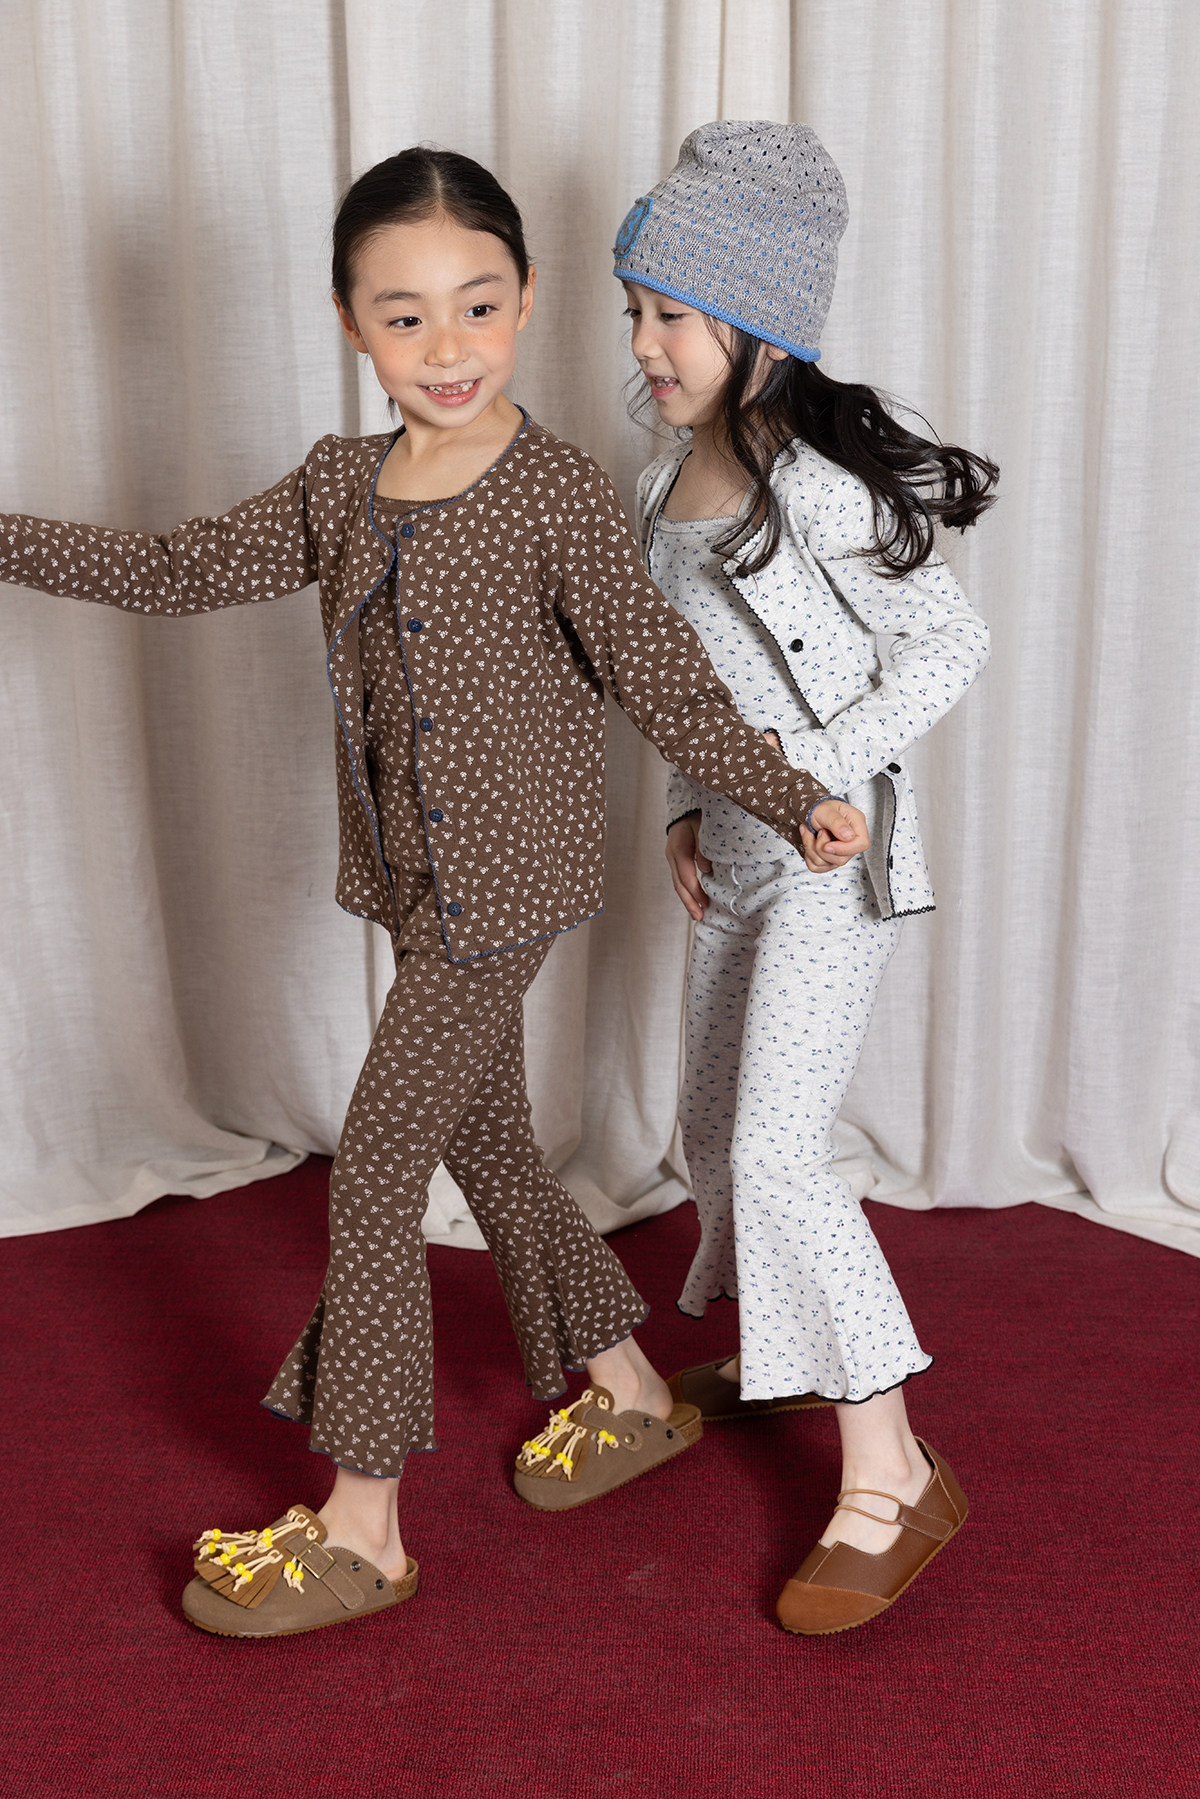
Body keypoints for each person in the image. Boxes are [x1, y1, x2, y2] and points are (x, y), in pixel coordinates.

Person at [0, 145, 868, 1639]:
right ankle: (628, 1387)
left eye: (477, 305)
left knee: (380, 1163)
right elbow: (177, 567)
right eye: (404, 317)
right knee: (494, 1148)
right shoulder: (340, 486)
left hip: (510, 887)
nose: (447, 347)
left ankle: (364, 1526)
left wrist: (791, 794)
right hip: (412, 882)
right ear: (349, 322)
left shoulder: (556, 494)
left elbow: (665, 679)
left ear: (527, 302)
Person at [610, 120, 996, 1636]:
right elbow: (685, 681)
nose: (643, 343)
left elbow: (947, 643)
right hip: (738, 850)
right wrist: (684, 808)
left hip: (835, 859)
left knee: (777, 1152)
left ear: (760, 330)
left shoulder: (815, 486)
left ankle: (894, 1470)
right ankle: (784, 1345)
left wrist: (822, 773)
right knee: (710, 1127)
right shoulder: (665, 483)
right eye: (634, 309)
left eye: (672, 314)